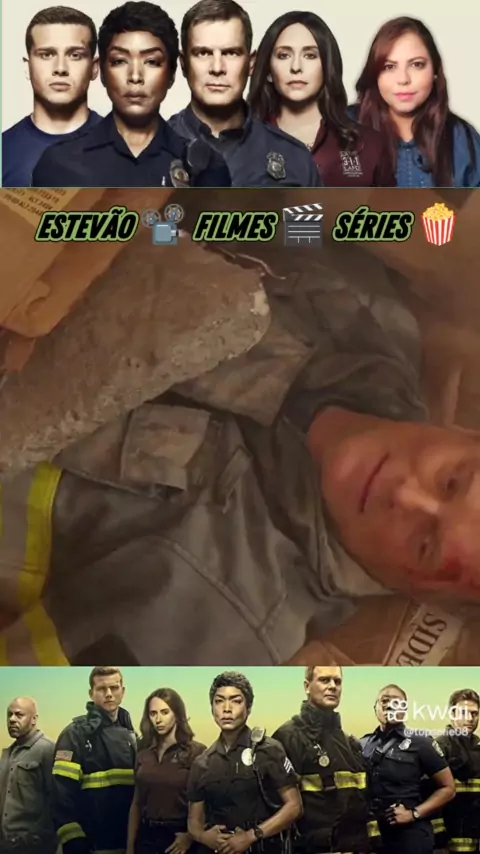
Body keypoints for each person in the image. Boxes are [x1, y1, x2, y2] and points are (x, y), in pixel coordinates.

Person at [3, 239, 480, 664]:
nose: (406, 494)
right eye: (452, 481)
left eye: (424, 542)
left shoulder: (208, 627)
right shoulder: (372, 315)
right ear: (466, 434)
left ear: (416, 592)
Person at [32, 1, 230, 188]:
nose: (135, 76)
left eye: (152, 62)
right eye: (119, 61)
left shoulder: (207, 167)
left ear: (171, 74)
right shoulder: (59, 164)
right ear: (102, 72)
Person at [169, 0, 322, 187]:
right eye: (203, 53)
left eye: (231, 53)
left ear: (251, 63)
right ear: (183, 64)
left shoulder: (295, 159)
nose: (217, 68)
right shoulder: (153, 149)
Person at [248, 11, 395, 187]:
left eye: (310, 55)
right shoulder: (245, 146)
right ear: (268, 70)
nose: (296, 67)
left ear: (327, 66)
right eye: (284, 55)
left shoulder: (370, 145)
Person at [352, 16, 480, 188]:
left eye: (416, 65)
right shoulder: (343, 129)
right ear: (374, 74)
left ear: (435, 70)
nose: (403, 79)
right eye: (389, 67)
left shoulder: (462, 137)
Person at [187, 671, 302, 854]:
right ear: (212, 708)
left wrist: (250, 836)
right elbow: (194, 821)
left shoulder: (269, 750)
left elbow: (294, 806)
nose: (227, 708)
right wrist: (203, 837)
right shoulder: (202, 763)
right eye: (219, 701)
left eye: (236, 701)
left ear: (248, 708)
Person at [272, 666, 375, 853]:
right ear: (307, 686)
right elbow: (275, 806)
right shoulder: (288, 738)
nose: (333, 686)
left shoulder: (351, 744)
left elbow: (364, 805)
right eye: (324, 680)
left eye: (337, 681)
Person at [2, 6, 102, 187]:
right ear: (27, 67)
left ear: (94, 68)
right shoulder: (4, 151)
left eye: (75, 55)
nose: (60, 68)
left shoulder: (128, 148)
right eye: (46, 55)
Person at [361, 683, 455, 853]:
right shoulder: (362, 744)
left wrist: (413, 814)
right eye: (384, 701)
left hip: (409, 836)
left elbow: (448, 788)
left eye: (396, 702)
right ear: (375, 708)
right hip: (371, 837)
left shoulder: (421, 742)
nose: (389, 705)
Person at [51, 666, 136, 854]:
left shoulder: (131, 735)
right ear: (91, 693)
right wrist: (73, 840)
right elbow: (60, 795)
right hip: (91, 845)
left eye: (114, 688)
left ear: (123, 692)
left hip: (128, 844)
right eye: (101, 689)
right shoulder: (74, 734)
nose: (109, 694)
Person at [127, 688, 206, 854]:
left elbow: (210, 803)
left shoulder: (197, 752)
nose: (158, 719)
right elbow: (136, 803)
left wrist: (190, 836)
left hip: (179, 837)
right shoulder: (143, 753)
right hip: (146, 838)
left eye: (164, 712)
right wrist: (130, 847)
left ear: (177, 714)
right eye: (153, 713)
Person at [0, 698, 56, 854]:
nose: (12, 719)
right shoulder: (7, 754)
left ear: (34, 719)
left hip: (33, 846)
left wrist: (35, 837)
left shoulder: (48, 750)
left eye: (19, 715)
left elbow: (56, 801)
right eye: (9, 714)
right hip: (6, 845)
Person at [436, 689, 480, 853]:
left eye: (474, 713)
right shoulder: (440, 747)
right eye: (463, 713)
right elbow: (427, 793)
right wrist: (438, 838)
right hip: (449, 838)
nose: (469, 718)